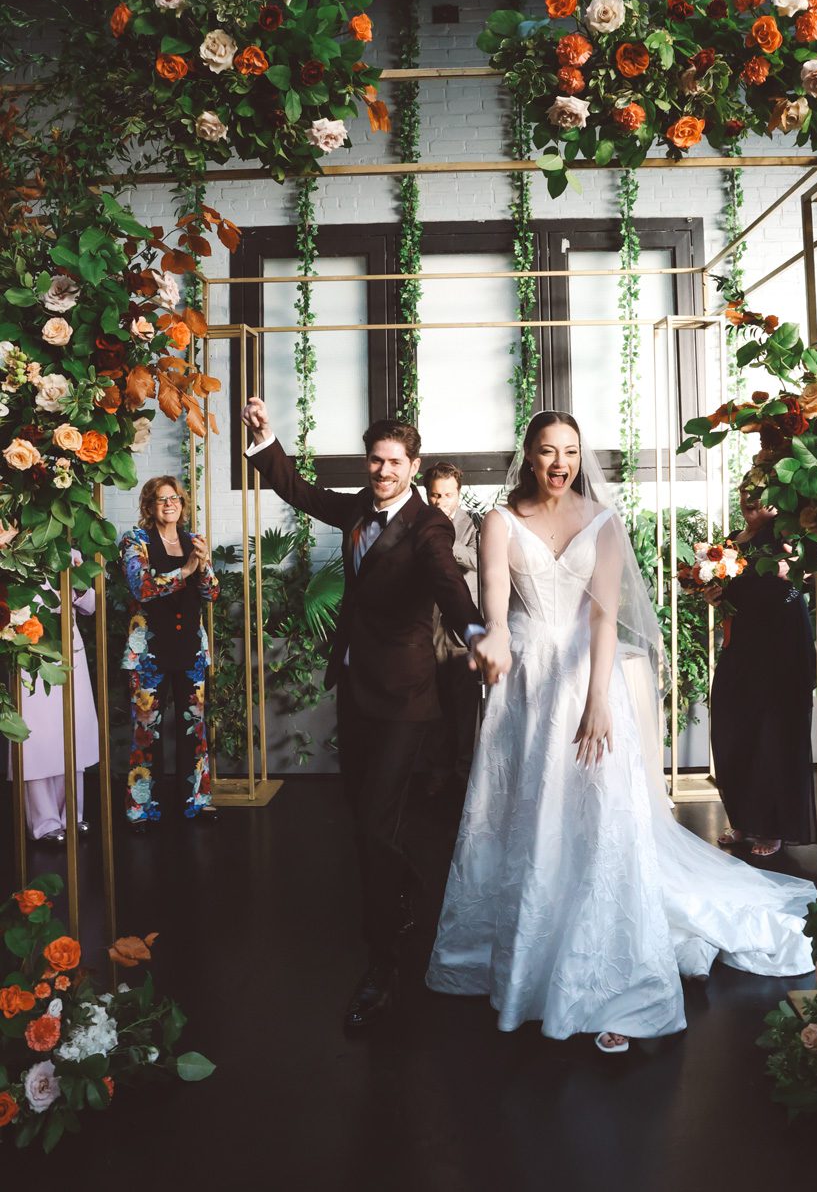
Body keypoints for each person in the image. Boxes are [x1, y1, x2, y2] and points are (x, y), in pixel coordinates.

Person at [427, 411, 817, 1052]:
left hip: (587, 674)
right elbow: (494, 596)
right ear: (529, 456)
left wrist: (598, 701)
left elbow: (603, 618)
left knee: (599, 816)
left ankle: (608, 976)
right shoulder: (500, 520)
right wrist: (492, 635)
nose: (560, 463)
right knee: (522, 814)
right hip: (525, 682)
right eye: (548, 451)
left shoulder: (603, 522)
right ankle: (522, 953)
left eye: (570, 451)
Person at [240, 398, 486, 1031]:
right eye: (375, 460)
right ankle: (406, 886)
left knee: (375, 824)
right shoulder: (356, 507)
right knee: (365, 818)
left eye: (394, 462)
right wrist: (266, 440)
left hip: (405, 696)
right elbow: (298, 491)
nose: (383, 471)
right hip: (354, 687)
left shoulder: (429, 526)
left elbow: (447, 581)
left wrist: (476, 633)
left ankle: (384, 964)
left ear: (414, 466)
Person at [708, 484, 817, 858]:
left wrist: (795, 572)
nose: (748, 501)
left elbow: (809, 575)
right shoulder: (730, 541)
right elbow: (728, 591)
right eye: (744, 494)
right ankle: (742, 818)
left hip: (782, 644)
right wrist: (713, 594)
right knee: (732, 727)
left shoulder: (785, 532)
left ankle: (774, 827)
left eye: (757, 495)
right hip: (742, 644)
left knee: (774, 732)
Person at [119, 476, 219, 830]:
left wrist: (202, 567)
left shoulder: (194, 540)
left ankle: (197, 802)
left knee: (195, 729)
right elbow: (142, 588)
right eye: (161, 499)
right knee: (147, 731)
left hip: (190, 649)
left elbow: (212, 592)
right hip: (149, 653)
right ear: (149, 506)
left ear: (182, 503)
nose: (169, 504)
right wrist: (187, 569)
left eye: (175, 498)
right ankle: (141, 810)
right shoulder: (136, 541)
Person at [7, 552, 99, 843]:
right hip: (30, 645)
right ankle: (44, 823)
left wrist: (79, 585)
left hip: (69, 645)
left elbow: (91, 605)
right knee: (37, 735)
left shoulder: (70, 554)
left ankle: (73, 815)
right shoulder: (15, 555)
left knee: (71, 730)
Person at [423, 461, 482, 795]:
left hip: (462, 630)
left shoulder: (474, 524)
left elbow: (478, 560)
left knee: (465, 706)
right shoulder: (417, 522)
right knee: (433, 704)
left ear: (458, 494)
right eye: (435, 495)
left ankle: (464, 773)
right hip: (427, 627)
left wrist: (442, 542)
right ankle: (438, 772)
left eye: (447, 495)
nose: (441, 502)